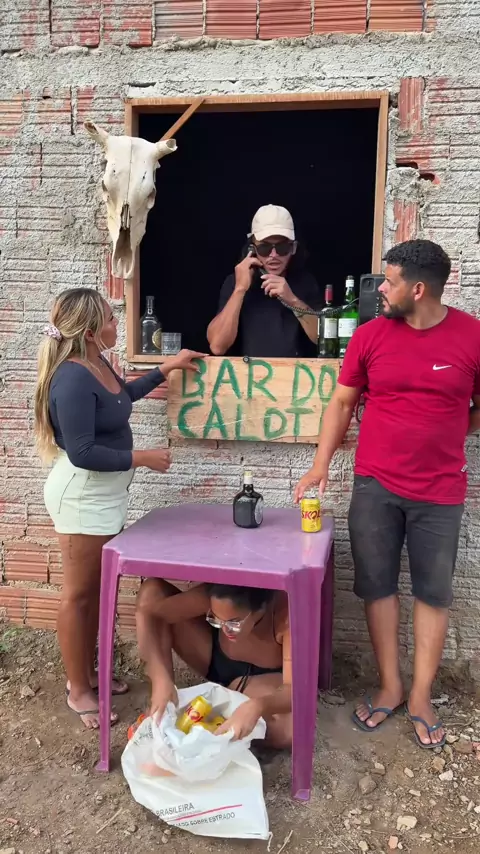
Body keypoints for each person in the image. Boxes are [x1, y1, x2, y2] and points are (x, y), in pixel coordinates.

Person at [294, 239, 480, 750]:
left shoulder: (472, 337)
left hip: (441, 491)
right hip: (375, 484)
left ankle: (421, 695)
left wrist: (450, 430)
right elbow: (342, 403)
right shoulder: (370, 336)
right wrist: (319, 465)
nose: (380, 289)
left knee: (433, 592)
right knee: (376, 586)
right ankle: (391, 685)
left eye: (390, 282)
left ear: (418, 289)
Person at [34, 287, 204, 729]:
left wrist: (166, 368)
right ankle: (78, 689)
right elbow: (82, 452)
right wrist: (140, 458)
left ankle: (89, 673)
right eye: (111, 319)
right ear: (91, 332)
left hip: (104, 496)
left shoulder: (96, 362)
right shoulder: (72, 378)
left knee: (96, 592)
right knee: (79, 595)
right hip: (82, 497)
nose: (117, 324)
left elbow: (121, 398)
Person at [135, 580, 292, 747]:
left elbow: (294, 690)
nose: (224, 629)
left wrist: (258, 706)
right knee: (152, 592)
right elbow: (150, 613)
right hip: (214, 658)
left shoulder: (287, 617)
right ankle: (165, 710)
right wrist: (160, 678)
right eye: (215, 619)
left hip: (262, 681)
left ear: (259, 609)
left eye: (233, 623)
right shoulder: (221, 594)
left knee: (289, 730)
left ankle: (217, 721)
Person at [207, 204, 321, 358]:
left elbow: (322, 339)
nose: (273, 255)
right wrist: (240, 289)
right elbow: (217, 346)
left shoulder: (305, 282)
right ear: (252, 249)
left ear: (293, 248)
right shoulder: (235, 282)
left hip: (294, 371)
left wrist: (292, 300)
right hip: (246, 371)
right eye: (265, 248)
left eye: (282, 248)